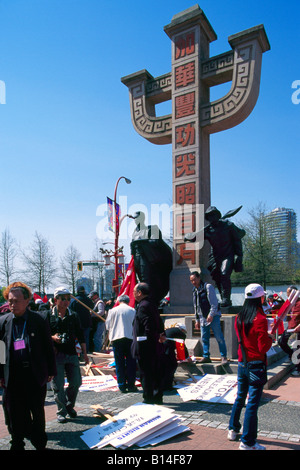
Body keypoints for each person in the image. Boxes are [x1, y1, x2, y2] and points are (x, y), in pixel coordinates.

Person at [0, 283, 56, 450]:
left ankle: (40, 443)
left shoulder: (38, 320)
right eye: (10, 301)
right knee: (14, 412)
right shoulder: (3, 321)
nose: (12, 305)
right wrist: (0, 375)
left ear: (27, 301)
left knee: (37, 411)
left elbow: (47, 346)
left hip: (34, 374)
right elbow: (1, 349)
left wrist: (51, 370)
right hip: (13, 375)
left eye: (16, 301)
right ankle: (17, 443)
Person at [228, 283, 274, 450]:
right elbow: (263, 347)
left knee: (240, 396)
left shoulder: (239, 317)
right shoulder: (260, 319)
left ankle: (233, 429)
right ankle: (248, 442)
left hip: (243, 362)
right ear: (260, 298)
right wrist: (270, 337)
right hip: (256, 365)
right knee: (252, 403)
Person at [49, 286, 89, 423]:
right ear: (56, 300)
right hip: (56, 354)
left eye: (68, 299)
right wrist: (53, 338)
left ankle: (69, 404)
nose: (66, 301)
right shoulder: (48, 315)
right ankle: (61, 411)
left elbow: (81, 335)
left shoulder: (73, 315)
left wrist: (85, 353)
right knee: (58, 384)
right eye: (63, 299)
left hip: (71, 353)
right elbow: (42, 335)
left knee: (76, 382)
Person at [131, 282, 165, 404]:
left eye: (135, 291)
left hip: (146, 346)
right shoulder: (151, 304)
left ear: (140, 293)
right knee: (154, 372)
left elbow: (148, 327)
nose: (133, 294)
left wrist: (147, 340)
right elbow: (159, 322)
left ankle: (149, 397)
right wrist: (161, 334)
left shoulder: (143, 306)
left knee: (146, 373)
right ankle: (156, 396)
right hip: (153, 345)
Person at [190, 271, 228, 364]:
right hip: (202, 317)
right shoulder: (194, 291)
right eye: (191, 281)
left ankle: (224, 356)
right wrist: (197, 320)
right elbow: (196, 307)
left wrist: (211, 314)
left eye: (194, 279)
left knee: (219, 337)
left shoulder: (208, 287)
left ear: (199, 278)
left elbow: (214, 303)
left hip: (213, 316)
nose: (193, 282)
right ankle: (206, 356)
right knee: (204, 338)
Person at [105, 294, 137, 393]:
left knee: (119, 363)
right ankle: (131, 384)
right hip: (130, 337)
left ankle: (122, 385)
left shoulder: (112, 311)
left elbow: (107, 325)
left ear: (118, 301)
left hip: (116, 338)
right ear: (128, 301)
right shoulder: (132, 310)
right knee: (131, 362)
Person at [278, 285, 300, 377]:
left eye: (288, 292)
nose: (287, 294)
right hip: (290, 328)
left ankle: (298, 369)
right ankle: (291, 356)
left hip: (298, 329)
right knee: (281, 342)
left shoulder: (299, 303)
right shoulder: (289, 303)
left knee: (297, 349)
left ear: (293, 293)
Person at [162, 323, 189, 391]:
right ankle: (167, 386)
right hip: (167, 350)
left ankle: (162, 385)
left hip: (160, 349)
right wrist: (187, 357)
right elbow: (182, 347)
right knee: (172, 365)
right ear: (182, 330)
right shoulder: (181, 334)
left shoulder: (169, 330)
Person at [72, 286, 94, 352]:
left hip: (77, 322)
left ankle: (78, 353)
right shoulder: (88, 300)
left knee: (77, 338)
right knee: (85, 338)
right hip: (86, 321)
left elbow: (70, 309)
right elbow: (92, 306)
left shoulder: (74, 300)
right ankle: (85, 352)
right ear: (84, 291)